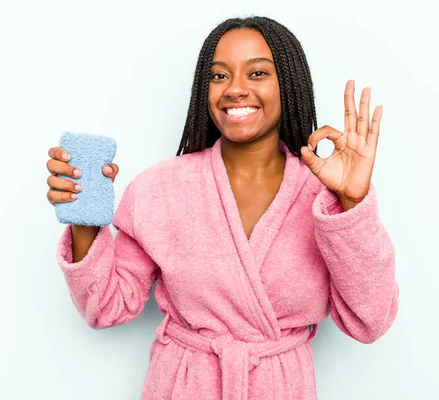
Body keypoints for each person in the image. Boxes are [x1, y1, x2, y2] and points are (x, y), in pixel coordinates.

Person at [46, 16, 398, 400]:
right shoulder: (161, 188)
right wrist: (84, 215)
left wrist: (352, 202)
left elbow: (370, 321)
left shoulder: (324, 196)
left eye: (258, 72)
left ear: (289, 84)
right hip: (182, 386)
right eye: (219, 76)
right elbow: (106, 307)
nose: (235, 89)